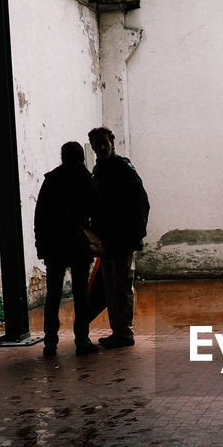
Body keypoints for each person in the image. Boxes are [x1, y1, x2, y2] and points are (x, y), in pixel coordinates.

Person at [34, 141, 99, 357]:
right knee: (81, 296)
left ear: (62, 157)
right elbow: (96, 209)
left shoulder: (51, 180)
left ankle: (50, 344)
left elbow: (40, 216)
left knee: (53, 296)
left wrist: (40, 245)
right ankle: (82, 341)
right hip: (78, 244)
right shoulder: (85, 178)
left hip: (54, 245)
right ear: (81, 156)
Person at [88, 127, 150, 349]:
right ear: (93, 146)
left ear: (112, 142)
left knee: (121, 286)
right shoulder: (101, 169)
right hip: (108, 240)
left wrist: (136, 236)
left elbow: (141, 202)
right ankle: (119, 332)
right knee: (113, 286)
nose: (102, 147)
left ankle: (124, 333)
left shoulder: (122, 168)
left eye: (105, 142)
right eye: (98, 144)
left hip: (122, 239)